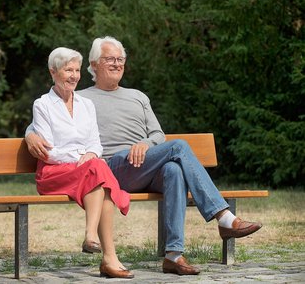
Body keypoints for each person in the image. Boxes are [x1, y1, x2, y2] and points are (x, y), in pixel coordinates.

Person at [26, 37, 262, 276]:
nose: (117, 64)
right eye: (110, 59)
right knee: (179, 146)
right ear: (94, 64)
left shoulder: (138, 96)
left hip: (145, 165)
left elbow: (158, 134)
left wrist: (145, 144)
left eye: (121, 60)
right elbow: (47, 122)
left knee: (174, 170)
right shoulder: (82, 96)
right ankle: (223, 217)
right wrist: (29, 135)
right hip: (111, 167)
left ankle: (173, 255)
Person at [31, 46, 134, 279]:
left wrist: (90, 156)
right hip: (54, 173)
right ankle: (100, 247)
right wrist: (81, 158)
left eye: (77, 70)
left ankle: (99, 245)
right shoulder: (42, 105)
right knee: (99, 171)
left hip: (86, 172)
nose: (74, 76)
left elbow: (95, 143)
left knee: (98, 170)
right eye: (68, 70)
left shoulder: (87, 104)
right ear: (53, 72)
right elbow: (48, 152)